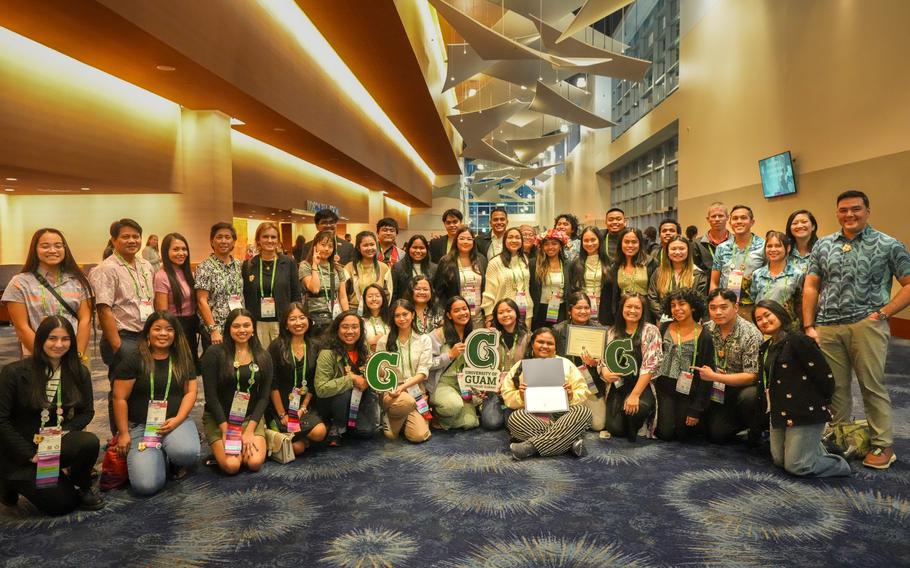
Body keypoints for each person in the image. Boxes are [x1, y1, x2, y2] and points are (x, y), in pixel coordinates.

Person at [803, 189, 910, 469]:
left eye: (856, 209)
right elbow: (812, 285)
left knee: (870, 385)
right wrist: (808, 324)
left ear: (867, 211)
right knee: (834, 387)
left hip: (866, 324)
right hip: (827, 326)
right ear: (837, 213)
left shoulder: (888, 244)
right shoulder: (823, 245)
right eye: (843, 210)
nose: (849, 214)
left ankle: (882, 444)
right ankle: (841, 438)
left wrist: (885, 312)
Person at [0, 317, 102, 515]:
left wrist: (62, 432)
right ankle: (6, 483)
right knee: (61, 505)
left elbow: (87, 412)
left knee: (88, 442)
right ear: (40, 341)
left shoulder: (78, 371)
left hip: (50, 443)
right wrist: (30, 454)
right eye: (52, 338)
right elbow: (1, 420)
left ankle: (82, 484)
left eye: (65, 339)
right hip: (17, 450)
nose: (59, 345)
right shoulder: (13, 373)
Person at [753, 300, 851, 477]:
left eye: (767, 315)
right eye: (759, 319)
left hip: (804, 411)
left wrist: (826, 402)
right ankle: (817, 448)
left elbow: (824, 375)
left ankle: (840, 463)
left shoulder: (799, 341)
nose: (764, 321)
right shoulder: (766, 348)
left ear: (780, 314)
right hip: (779, 410)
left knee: (797, 466)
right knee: (779, 460)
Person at [112, 311, 200, 495]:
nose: (163, 334)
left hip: (175, 421)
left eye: (169, 329)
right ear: (147, 333)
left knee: (187, 453)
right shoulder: (134, 360)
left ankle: (170, 453)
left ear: (175, 334)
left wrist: (178, 419)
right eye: (157, 329)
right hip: (141, 426)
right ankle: (159, 453)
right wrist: (123, 433)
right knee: (146, 486)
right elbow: (119, 398)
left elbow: (191, 392)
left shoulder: (183, 358)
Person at [501, 327, 592, 460]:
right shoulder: (520, 365)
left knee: (583, 411)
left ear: (555, 347)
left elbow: (583, 390)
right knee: (515, 418)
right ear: (533, 344)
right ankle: (570, 442)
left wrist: (571, 395)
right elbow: (507, 394)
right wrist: (520, 397)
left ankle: (529, 447)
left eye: (550, 343)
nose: (545, 346)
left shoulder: (566, 364)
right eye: (540, 342)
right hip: (534, 416)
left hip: (563, 415)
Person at [3, 228, 94, 360]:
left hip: (74, 354)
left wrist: (78, 354)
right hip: (36, 356)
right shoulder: (19, 283)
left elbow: (85, 320)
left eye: (58, 246)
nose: (52, 250)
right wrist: (45, 357)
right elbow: (21, 326)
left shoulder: (79, 281)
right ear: (35, 249)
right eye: (45, 246)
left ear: (65, 249)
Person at [201, 308, 271, 474]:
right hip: (221, 420)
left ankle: (251, 441)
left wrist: (249, 431)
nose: (242, 330)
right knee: (232, 466)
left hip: (249, 419)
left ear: (253, 328)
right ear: (228, 329)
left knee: (254, 463)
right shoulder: (214, 353)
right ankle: (221, 448)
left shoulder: (263, 356)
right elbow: (211, 396)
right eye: (236, 326)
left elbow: (264, 397)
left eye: (246, 325)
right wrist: (227, 431)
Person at [694, 288, 763, 444]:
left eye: (724, 307)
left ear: (736, 307)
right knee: (708, 432)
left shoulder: (751, 334)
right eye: (713, 308)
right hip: (713, 388)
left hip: (739, 389)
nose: (718, 312)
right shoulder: (706, 329)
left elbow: (752, 376)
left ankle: (752, 425)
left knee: (750, 397)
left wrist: (716, 376)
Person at [597, 292, 661, 441]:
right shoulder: (612, 331)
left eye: (637, 307)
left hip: (641, 385)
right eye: (629, 306)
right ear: (622, 308)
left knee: (637, 412)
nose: (632, 310)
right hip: (618, 385)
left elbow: (651, 364)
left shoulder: (651, 331)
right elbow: (603, 358)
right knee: (615, 429)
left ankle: (641, 421)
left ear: (643, 310)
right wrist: (605, 371)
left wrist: (635, 395)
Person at [654, 288, 715, 441]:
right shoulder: (664, 328)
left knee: (684, 434)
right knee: (665, 433)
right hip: (663, 388)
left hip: (689, 391)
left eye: (682, 304)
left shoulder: (704, 335)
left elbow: (707, 375)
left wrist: (696, 408)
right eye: (673, 305)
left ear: (693, 306)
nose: (677, 309)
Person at [266, 303, 327, 456]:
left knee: (320, 432)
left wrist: (303, 408)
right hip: (281, 406)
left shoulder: (315, 346)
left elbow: (314, 381)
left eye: (302, 318)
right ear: (286, 324)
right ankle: (285, 434)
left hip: (304, 406)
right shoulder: (276, 347)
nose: (298, 323)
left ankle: (295, 438)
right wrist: (282, 415)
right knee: (296, 449)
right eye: (292, 319)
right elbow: (273, 384)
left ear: (308, 320)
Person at [314, 311, 381, 445]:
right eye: (345, 327)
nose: (350, 331)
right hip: (335, 402)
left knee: (366, 432)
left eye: (355, 327)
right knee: (343, 394)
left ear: (361, 330)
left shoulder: (364, 349)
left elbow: (368, 378)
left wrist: (375, 374)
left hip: (358, 400)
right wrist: (352, 380)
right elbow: (321, 388)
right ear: (337, 329)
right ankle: (337, 427)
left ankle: (350, 425)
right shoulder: (327, 353)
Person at [375, 300, 432, 443]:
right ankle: (391, 414)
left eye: (405, 314)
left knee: (418, 436)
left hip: (416, 391)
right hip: (391, 391)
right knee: (407, 401)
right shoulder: (384, 341)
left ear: (412, 314)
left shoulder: (424, 339)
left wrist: (404, 388)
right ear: (392, 319)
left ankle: (400, 418)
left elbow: (423, 372)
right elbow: (381, 373)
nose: (401, 319)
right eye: (397, 315)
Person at [242, 222, 302, 345]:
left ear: (278, 241)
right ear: (258, 240)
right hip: (258, 323)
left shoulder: (289, 263)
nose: (270, 240)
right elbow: (246, 296)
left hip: (283, 323)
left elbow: (296, 295)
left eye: (273, 237)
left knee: (283, 359)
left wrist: (295, 320)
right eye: (265, 237)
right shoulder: (249, 265)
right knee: (262, 359)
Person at [552, 292, 605, 430]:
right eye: (578, 308)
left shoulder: (599, 330)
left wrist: (594, 363)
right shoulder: (557, 330)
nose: (583, 311)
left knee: (598, 425)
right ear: (570, 310)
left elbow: (605, 363)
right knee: (567, 420)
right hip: (566, 385)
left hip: (591, 384)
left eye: (586, 308)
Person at [427, 297, 480, 430]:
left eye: (464, 309)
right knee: (453, 406)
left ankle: (449, 417)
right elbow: (428, 364)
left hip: (463, 384)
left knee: (471, 423)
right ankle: (438, 416)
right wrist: (449, 355)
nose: (462, 313)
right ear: (449, 315)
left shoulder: (473, 334)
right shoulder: (436, 335)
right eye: (457, 310)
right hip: (441, 383)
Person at [710, 204, 766, 319]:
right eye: (735, 218)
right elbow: (714, 282)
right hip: (726, 308)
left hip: (754, 309)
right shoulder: (722, 248)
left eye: (743, 218)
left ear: (752, 222)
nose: (739, 221)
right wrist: (714, 306)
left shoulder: (763, 246)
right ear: (730, 222)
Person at [195, 222, 244, 350]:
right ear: (212, 241)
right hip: (217, 331)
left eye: (228, 237)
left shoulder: (239, 265)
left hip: (238, 327)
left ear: (233, 242)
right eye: (219, 237)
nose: (223, 241)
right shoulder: (205, 267)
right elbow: (201, 301)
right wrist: (213, 330)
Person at [153, 233, 199, 369]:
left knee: (191, 367)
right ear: (166, 252)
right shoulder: (162, 276)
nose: (181, 253)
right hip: (175, 326)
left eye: (184, 249)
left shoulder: (186, 271)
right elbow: (163, 312)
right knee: (179, 367)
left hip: (191, 325)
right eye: (176, 249)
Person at [486, 298, 531, 431]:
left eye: (509, 311)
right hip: (495, 388)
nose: (505, 315)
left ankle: (508, 409)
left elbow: (529, 366)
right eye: (501, 312)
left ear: (516, 313)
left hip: (515, 388)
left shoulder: (528, 337)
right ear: (496, 316)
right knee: (491, 423)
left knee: (511, 423)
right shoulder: (490, 337)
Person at [433, 225, 488, 328]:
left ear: (473, 241)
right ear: (456, 240)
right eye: (461, 238)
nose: (465, 242)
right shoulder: (446, 261)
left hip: (478, 316)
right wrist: (442, 314)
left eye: (469, 239)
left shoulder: (481, 260)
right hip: (456, 317)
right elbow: (439, 291)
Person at [299, 230, 350, 338]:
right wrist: (315, 265)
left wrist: (347, 317)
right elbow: (315, 289)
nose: (326, 249)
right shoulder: (305, 265)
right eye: (323, 245)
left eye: (330, 246)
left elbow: (343, 296)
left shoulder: (338, 268)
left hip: (334, 316)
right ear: (315, 245)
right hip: (314, 318)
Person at [750, 231, 804, 330]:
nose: (773, 249)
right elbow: (754, 299)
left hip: (788, 328)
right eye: (769, 246)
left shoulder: (797, 274)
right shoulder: (757, 274)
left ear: (788, 248)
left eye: (778, 246)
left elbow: (800, 304)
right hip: (762, 327)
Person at [647, 236, 707, 324]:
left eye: (682, 248)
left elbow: (699, 301)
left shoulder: (698, 275)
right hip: (664, 323)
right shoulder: (658, 272)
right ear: (667, 252)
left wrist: (682, 317)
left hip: (690, 323)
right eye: (673, 249)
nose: (677, 252)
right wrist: (665, 318)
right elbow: (652, 298)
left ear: (688, 251)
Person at [481, 227, 532, 328]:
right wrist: (489, 317)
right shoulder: (495, 262)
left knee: (523, 342)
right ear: (505, 241)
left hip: (525, 312)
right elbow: (488, 293)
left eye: (517, 237)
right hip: (503, 315)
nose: (514, 240)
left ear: (521, 241)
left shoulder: (524, 259)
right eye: (510, 237)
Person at [569, 227, 615, 326]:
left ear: (600, 240)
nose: (590, 243)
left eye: (593, 240)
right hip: (582, 309)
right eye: (586, 240)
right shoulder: (575, 264)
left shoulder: (611, 263)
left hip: (604, 309)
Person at [529, 228, 571, 329]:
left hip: (560, 308)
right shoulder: (534, 264)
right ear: (542, 246)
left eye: (554, 244)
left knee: (558, 338)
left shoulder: (567, 264)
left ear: (560, 246)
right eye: (546, 244)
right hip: (540, 309)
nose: (550, 247)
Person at [344, 231, 393, 313]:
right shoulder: (349, 268)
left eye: (372, 244)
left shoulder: (384, 268)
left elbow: (388, 295)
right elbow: (343, 294)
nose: (370, 248)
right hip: (354, 312)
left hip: (377, 312)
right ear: (358, 248)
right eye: (365, 245)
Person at [612, 228, 658, 307]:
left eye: (634, 242)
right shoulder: (615, 265)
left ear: (640, 244)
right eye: (626, 242)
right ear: (621, 244)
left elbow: (656, 293)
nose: (630, 245)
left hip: (646, 311)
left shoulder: (651, 263)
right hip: (623, 310)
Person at [390, 235, 436, 302]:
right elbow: (393, 294)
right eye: (414, 247)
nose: (418, 251)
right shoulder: (397, 268)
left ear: (427, 250)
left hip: (428, 309)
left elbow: (437, 293)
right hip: (404, 309)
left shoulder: (434, 268)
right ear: (408, 249)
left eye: (421, 248)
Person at [695, 202, 731, 272]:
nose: (717, 219)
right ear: (708, 219)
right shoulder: (697, 244)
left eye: (720, 216)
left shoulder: (736, 241)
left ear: (727, 217)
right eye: (713, 216)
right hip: (707, 282)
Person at [785, 209, 819, 274]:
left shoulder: (821, 249)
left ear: (813, 226)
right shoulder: (784, 251)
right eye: (795, 223)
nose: (800, 226)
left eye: (804, 222)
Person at [361, 284, 391, 353]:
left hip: (389, 360)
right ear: (364, 299)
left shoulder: (391, 320)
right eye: (370, 296)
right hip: (367, 360)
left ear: (383, 298)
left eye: (377, 296)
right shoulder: (360, 321)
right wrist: (370, 343)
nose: (374, 299)